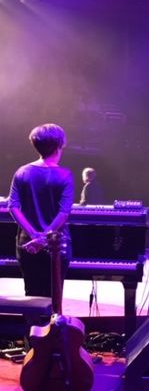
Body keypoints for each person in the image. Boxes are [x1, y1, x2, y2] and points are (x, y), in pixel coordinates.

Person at [8, 123, 74, 306]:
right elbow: (64, 213)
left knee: (31, 296)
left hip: (26, 243)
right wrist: (44, 238)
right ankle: (53, 335)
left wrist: (34, 236)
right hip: (56, 243)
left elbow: (12, 206)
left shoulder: (22, 172)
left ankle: (32, 334)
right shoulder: (65, 175)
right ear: (59, 145)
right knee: (55, 297)